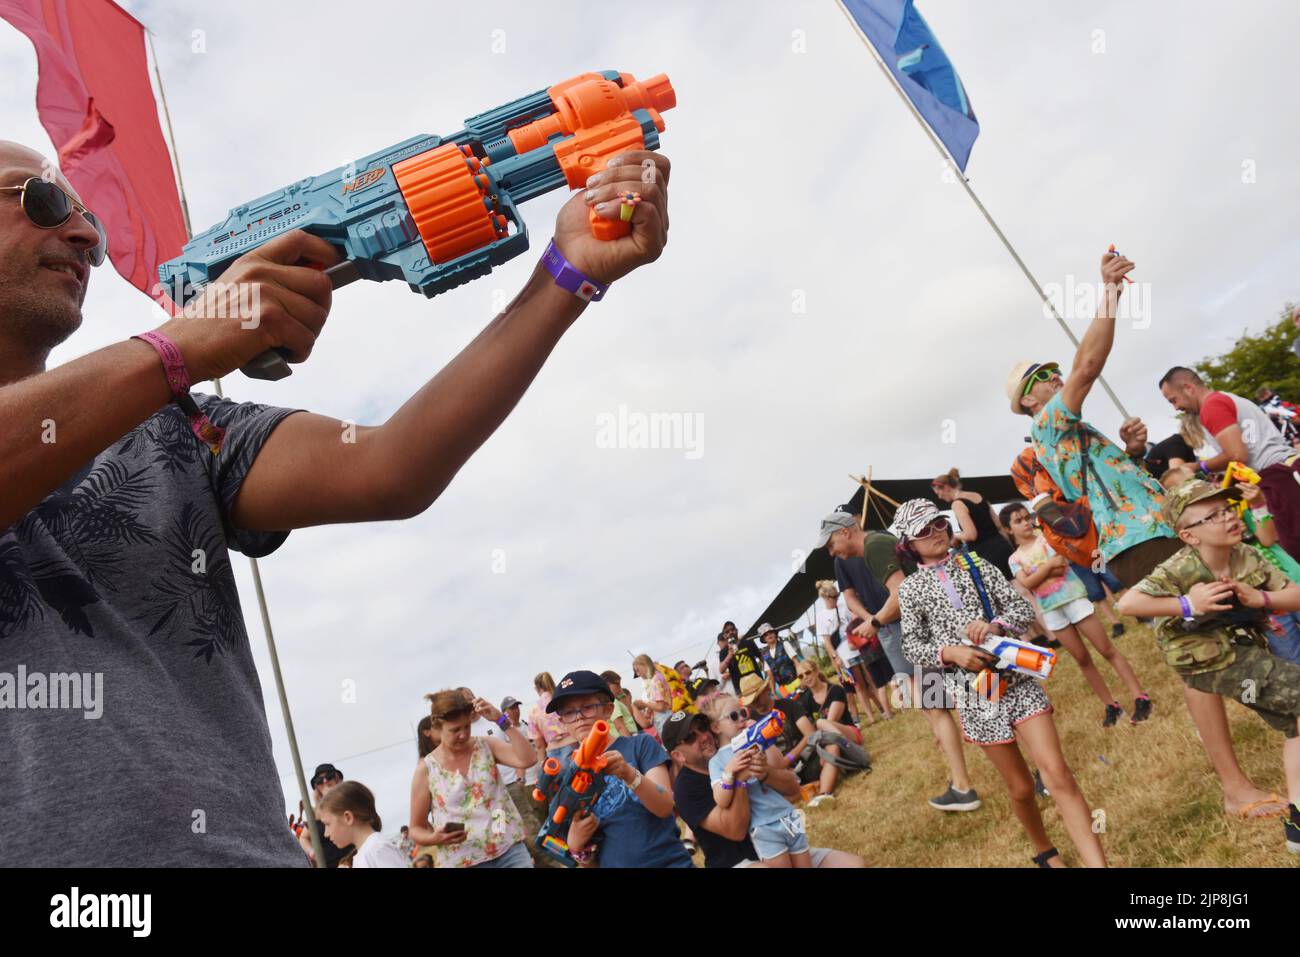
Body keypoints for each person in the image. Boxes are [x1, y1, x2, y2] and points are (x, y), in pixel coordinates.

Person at [0, 138, 672, 865]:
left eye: (88, 217)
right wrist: (177, 349)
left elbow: (391, 466)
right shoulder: (163, 372)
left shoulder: (165, 422)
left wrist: (565, 275)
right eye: (41, 200)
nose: (84, 234)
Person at [893, 497, 1106, 867]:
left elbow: (1021, 607)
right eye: (923, 531)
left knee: (1057, 774)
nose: (936, 534)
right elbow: (911, 645)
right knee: (1022, 788)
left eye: (939, 523)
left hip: (1015, 678)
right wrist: (950, 653)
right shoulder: (910, 591)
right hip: (975, 695)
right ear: (909, 544)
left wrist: (997, 626)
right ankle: (1045, 851)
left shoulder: (977, 564)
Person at [1116, 479, 1300, 855]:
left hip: (1241, 645)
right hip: (1205, 657)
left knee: (1295, 720)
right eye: (1213, 515)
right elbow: (1128, 604)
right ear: (1189, 535)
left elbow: (1294, 594)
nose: (1228, 517)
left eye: (1228, 510)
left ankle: (1296, 822)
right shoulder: (1181, 566)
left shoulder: (1246, 555)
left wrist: (1261, 596)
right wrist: (1188, 603)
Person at [820, 509, 983, 813]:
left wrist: (876, 622)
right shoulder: (872, 547)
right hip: (905, 632)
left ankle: (966, 783)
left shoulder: (877, 545)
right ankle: (961, 783)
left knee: (956, 702)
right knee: (938, 706)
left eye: (831, 544)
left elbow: (901, 593)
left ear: (844, 532)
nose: (832, 552)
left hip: (908, 631)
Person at [1002, 502, 1152, 726]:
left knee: (1106, 649)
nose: (1026, 522)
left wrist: (1042, 572)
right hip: (1052, 611)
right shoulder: (1014, 559)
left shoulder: (1047, 539)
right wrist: (1047, 567)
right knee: (1082, 659)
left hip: (1074, 598)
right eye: (1018, 520)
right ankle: (1111, 705)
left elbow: (1061, 566)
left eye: (1027, 517)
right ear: (1008, 529)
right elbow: (1028, 584)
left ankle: (1140, 696)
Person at [663, 710, 864, 868]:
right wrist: (739, 779)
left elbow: (794, 791)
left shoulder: (736, 751)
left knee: (854, 865)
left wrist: (766, 772)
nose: (703, 736)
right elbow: (735, 831)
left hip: (780, 843)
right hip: (739, 862)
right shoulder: (685, 789)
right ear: (678, 756)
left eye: (703, 728)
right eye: (690, 737)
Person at [545, 670, 692, 868]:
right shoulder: (568, 780)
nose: (579, 717)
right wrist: (577, 846)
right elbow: (591, 862)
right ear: (562, 722)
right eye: (569, 712)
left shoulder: (640, 745)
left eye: (587, 707)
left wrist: (629, 774)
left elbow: (665, 806)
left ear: (608, 710)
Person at [1160, 465, 1300, 665]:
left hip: (1289, 578)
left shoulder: (1230, 511)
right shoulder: (1199, 538)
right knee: (1293, 659)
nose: (1203, 487)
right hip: (1264, 606)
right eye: (1190, 486)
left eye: (1200, 479)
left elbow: (1268, 539)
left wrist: (1258, 504)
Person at [1158, 366, 1300, 560]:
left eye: (1173, 400)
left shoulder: (1211, 406)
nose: (1175, 407)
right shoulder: (1223, 399)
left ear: (1188, 387)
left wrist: (1199, 466)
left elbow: (1236, 454)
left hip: (1277, 475)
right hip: (1284, 470)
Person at [409, 689, 537, 868]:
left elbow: (528, 759)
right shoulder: (426, 769)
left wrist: (502, 721)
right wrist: (433, 838)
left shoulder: (485, 745)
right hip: (464, 860)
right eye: (454, 730)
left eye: (466, 727)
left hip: (509, 849)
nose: (462, 735)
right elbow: (415, 828)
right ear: (436, 726)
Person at [704, 694, 812, 867]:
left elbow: (778, 764)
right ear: (716, 727)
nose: (741, 719)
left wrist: (761, 736)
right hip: (764, 826)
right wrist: (730, 773)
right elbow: (721, 800)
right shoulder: (717, 761)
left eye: (743, 713)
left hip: (788, 814)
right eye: (733, 716)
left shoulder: (754, 742)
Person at [737, 673, 838, 807]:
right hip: (778, 774)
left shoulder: (789, 705)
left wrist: (789, 758)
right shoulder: (750, 723)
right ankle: (807, 788)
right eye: (752, 702)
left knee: (832, 748)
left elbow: (810, 733)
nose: (756, 704)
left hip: (804, 761)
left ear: (766, 689)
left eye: (757, 698)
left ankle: (823, 795)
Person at [485, 694, 555, 868]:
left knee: (535, 825)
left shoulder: (521, 726)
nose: (515, 710)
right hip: (500, 792)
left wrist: (522, 776)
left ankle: (552, 862)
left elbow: (527, 752)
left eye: (516, 706)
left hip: (521, 784)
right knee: (502, 832)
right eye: (511, 707)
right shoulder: (492, 730)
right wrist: (520, 776)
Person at [815, 579, 892, 723]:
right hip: (843, 653)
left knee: (871, 679)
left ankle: (884, 709)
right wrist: (835, 657)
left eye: (837, 596)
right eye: (833, 597)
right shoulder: (821, 616)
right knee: (859, 685)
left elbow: (857, 623)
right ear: (825, 598)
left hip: (859, 647)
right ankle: (870, 717)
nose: (836, 599)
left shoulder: (844, 607)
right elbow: (826, 641)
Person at [932, 469, 1014, 577]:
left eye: (939, 492)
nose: (939, 497)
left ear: (946, 487)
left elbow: (971, 535)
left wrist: (954, 536)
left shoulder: (957, 504)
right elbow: (998, 524)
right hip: (1002, 545)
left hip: (986, 555)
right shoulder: (977, 495)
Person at [317, 781, 407, 868]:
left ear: (348, 817)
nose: (326, 834)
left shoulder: (377, 848)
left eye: (327, 824)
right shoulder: (364, 853)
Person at [298, 763, 353, 867]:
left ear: (337, 779)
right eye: (319, 780)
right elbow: (303, 838)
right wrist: (311, 851)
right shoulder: (315, 813)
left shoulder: (350, 800)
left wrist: (333, 796)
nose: (325, 781)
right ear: (316, 787)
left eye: (329, 776)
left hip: (352, 860)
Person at [529, 671, 577, 762]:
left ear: (536, 688)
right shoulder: (563, 702)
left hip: (552, 753)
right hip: (572, 745)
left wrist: (542, 763)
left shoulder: (533, 711)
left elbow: (539, 745)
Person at [756, 622, 802, 696]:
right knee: (792, 706)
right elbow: (770, 675)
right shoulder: (765, 654)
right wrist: (773, 693)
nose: (769, 635)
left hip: (796, 681)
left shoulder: (784, 644)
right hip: (783, 688)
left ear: (775, 633)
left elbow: (796, 662)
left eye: (770, 632)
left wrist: (801, 678)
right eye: (766, 635)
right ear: (764, 639)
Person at [601, 670, 640, 737]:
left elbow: (630, 715)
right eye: (617, 684)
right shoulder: (613, 702)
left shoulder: (616, 701)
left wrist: (623, 697)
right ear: (607, 685)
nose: (620, 688)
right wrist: (630, 743)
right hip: (627, 737)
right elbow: (620, 726)